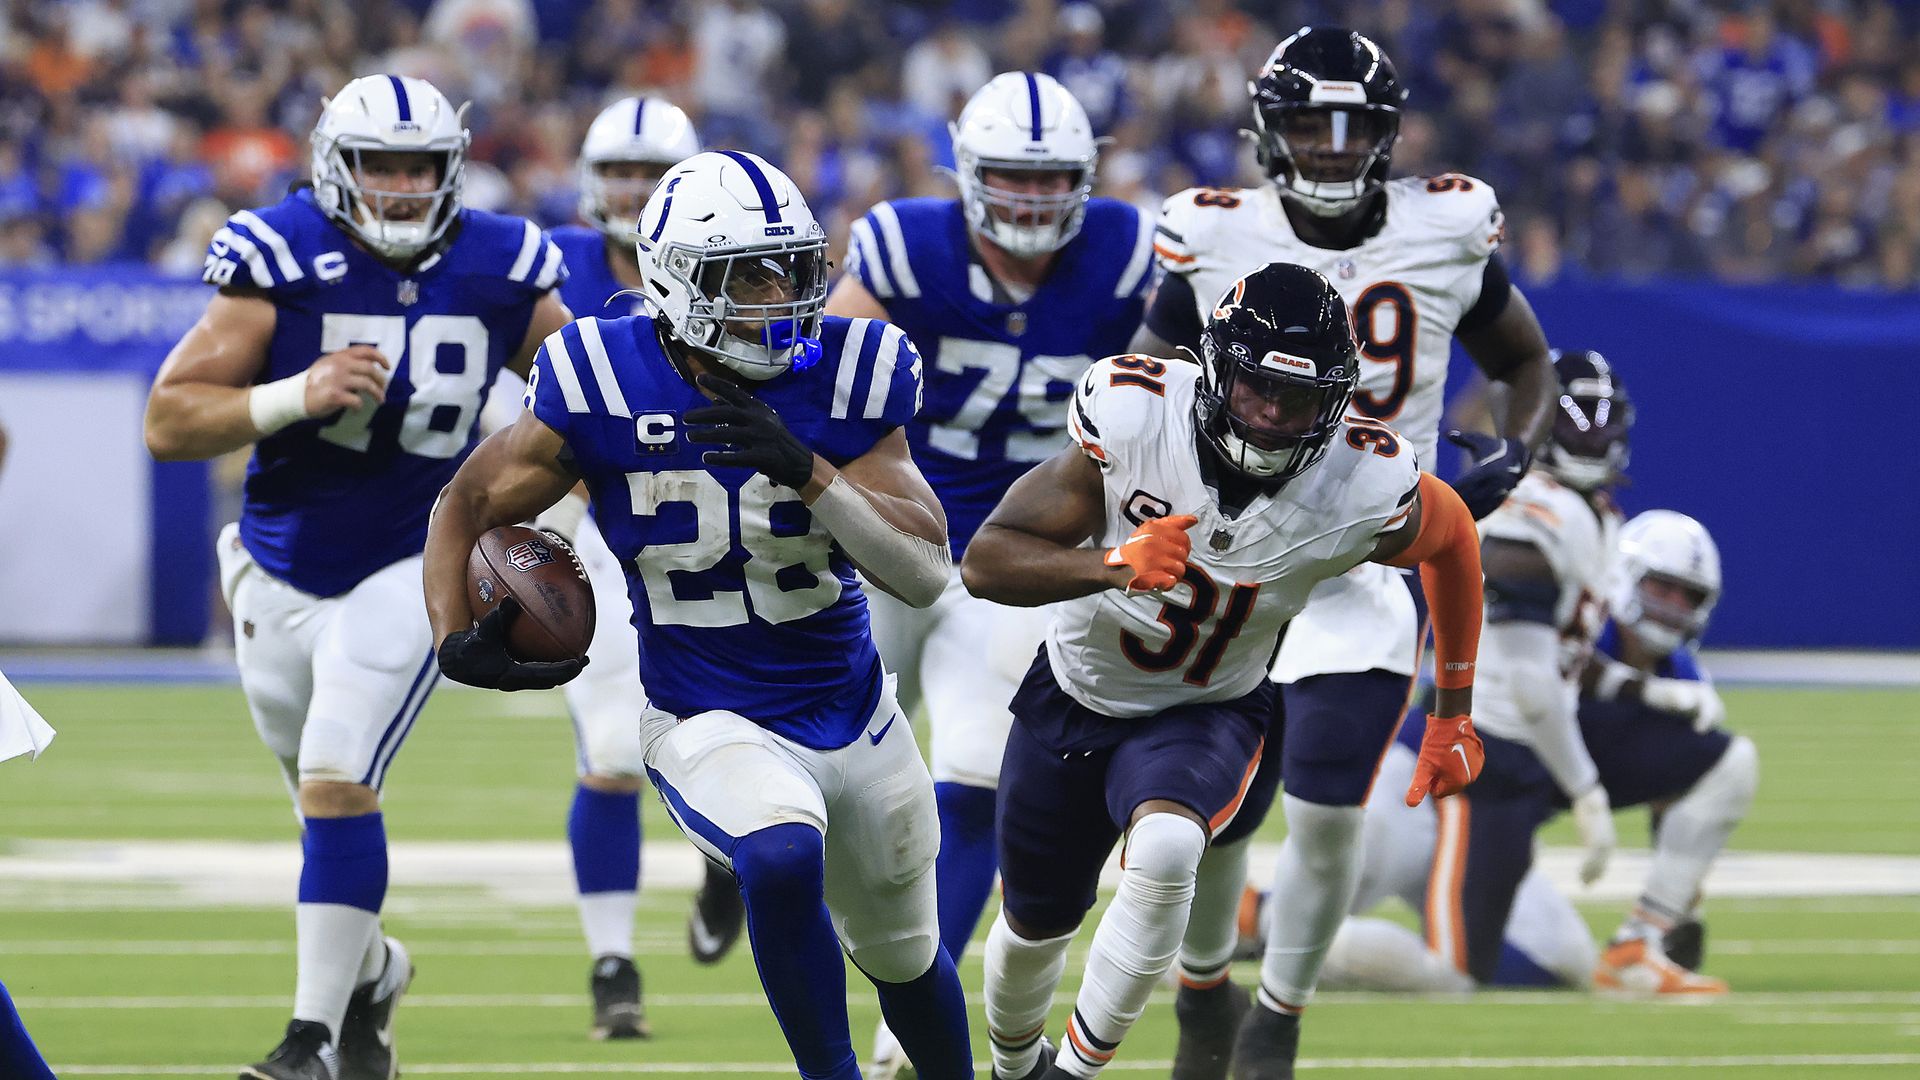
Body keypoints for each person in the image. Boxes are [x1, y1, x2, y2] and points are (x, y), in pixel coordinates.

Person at [421, 150, 974, 1080]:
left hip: (855, 715)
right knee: (780, 853)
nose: (777, 296)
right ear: (675, 282)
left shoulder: (847, 370)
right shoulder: (601, 375)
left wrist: (809, 472)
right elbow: (467, 505)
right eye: (744, 276)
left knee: (904, 954)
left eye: (790, 268)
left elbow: (923, 573)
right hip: (702, 712)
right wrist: (450, 637)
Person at [1130, 28, 1557, 1079]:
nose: (1328, 145)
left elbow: (1524, 361)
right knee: (1221, 823)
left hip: (1361, 564)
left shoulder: (1446, 225)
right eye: (1308, 124)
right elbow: (1141, 380)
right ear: (1268, 134)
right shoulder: (1213, 233)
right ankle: (1201, 996)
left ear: (1389, 134)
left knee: (1326, 821)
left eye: (1351, 124)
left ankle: (1279, 1016)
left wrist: (1512, 446)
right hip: (1229, 558)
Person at [142, 74, 571, 1080]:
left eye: (421, 164)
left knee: (338, 782)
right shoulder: (283, 255)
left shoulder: (504, 263)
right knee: (319, 802)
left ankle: (309, 1043)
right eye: (381, 163)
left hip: (413, 557)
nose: (403, 183)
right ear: (336, 166)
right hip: (276, 567)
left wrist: (555, 498)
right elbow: (169, 419)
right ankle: (373, 974)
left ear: (453, 167)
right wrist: (294, 392)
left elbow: (582, 393)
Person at [961, 263, 1486, 1080]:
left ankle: (1074, 1073)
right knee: (1033, 929)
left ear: (1336, 401)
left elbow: (1454, 541)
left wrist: (1452, 709)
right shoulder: (1137, 415)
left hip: (1209, 711)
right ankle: (1011, 1064)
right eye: (1255, 391)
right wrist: (1110, 565)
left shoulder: (1361, 478)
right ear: (1214, 372)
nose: (1274, 417)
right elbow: (987, 562)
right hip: (1076, 695)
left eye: (1299, 399)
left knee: (1170, 851)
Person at [824, 70, 1154, 1074]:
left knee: (972, 778)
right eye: (1010, 176)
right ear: (967, 171)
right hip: (889, 537)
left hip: (1011, 558)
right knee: (824, 757)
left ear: (1086, 180)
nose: (1029, 200)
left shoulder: (1128, 259)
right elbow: (827, 377)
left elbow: (1159, 404)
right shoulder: (903, 246)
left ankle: (905, 1012)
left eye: (1051, 179)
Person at [548, 93, 701, 1041]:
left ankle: (730, 874)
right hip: (591, 529)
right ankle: (613, 962)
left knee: (748, 725)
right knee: (611, 753)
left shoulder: (728, 263)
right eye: (619, 173)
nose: (631, 190)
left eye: (651, 175)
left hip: (715, 527)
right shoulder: (544, 268)